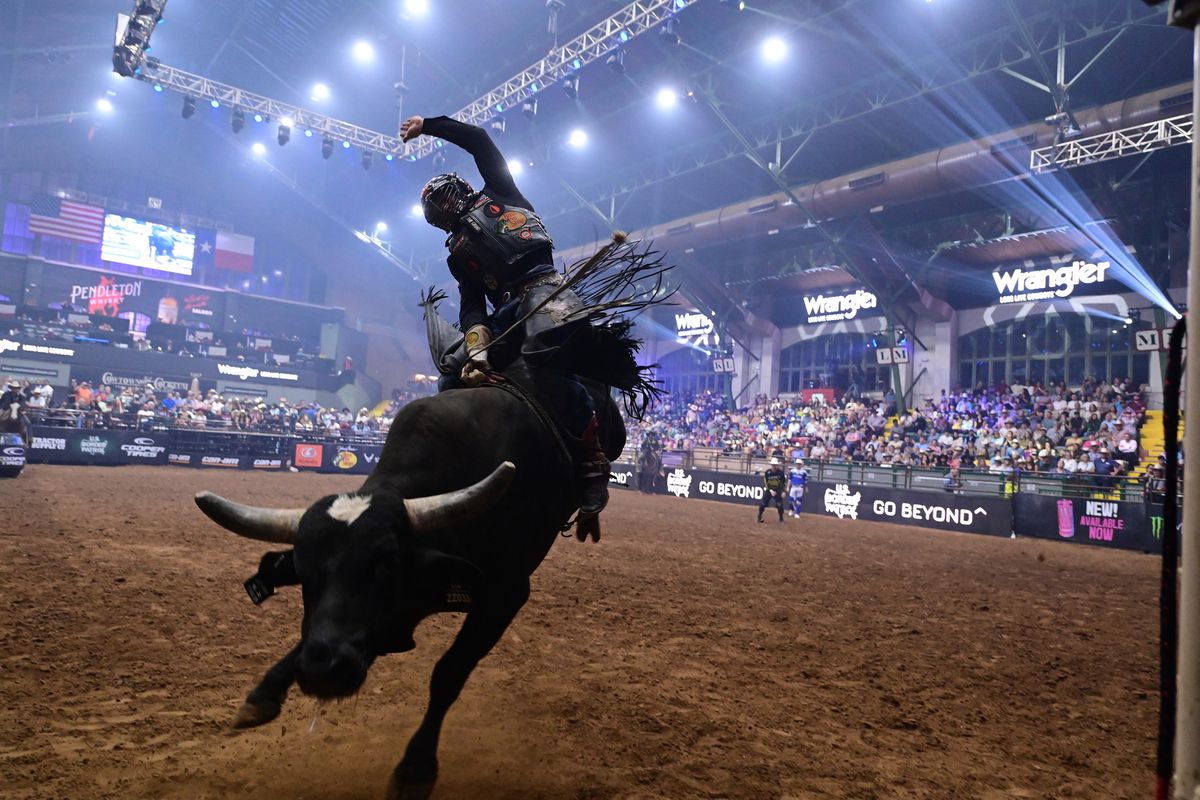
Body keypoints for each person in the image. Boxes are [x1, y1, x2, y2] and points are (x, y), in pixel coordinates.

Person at [401, 112, 621, 523]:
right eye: (434, 210)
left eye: (441, 201)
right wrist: (477, 348)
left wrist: (428, 125)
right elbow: (471, 306)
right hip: (505, 314)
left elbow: (479, 139)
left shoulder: (501, 191)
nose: (440, 211)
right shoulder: (456, 256)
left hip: (546, 290)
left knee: (542, 356)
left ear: (460, 190)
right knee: (451, 375)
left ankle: (592, 460)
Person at [757, 457, 787, 524]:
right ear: (771, 465)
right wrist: (771, 490)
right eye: (773, 465)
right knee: (762, 504)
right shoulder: (767, 472)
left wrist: (783, 491)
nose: (774, 466)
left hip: (778, 490)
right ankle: (759, 516)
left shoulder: (781, 473)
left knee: (779, 505)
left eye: (775, 465)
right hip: (769, 490)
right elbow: (766, 483)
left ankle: (781, 518)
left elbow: (784, 483)